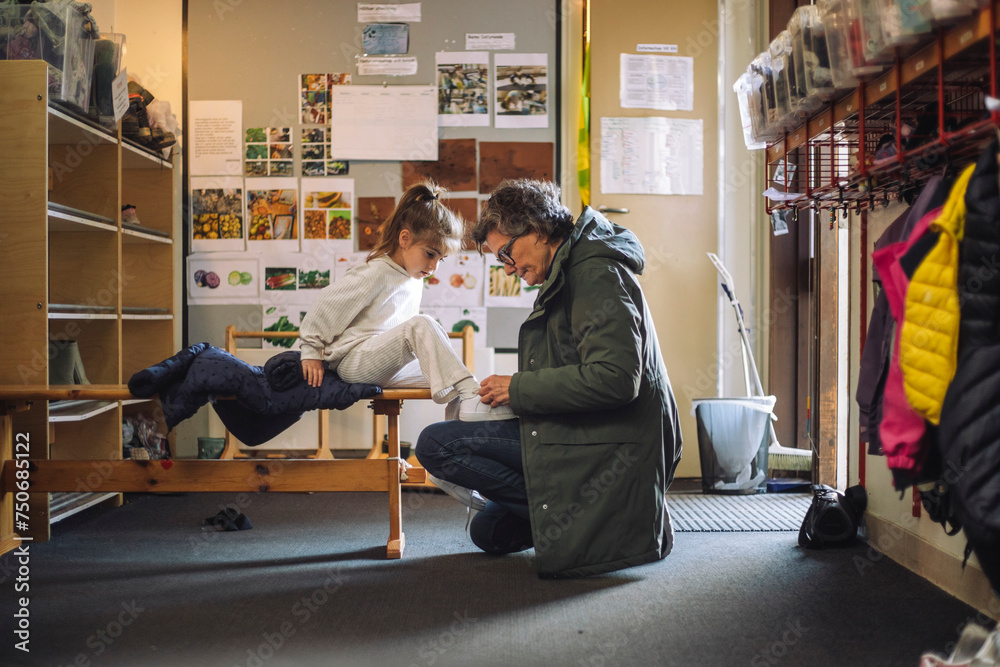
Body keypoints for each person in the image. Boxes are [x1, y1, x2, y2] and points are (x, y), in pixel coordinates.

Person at [415, 179, 683, 578]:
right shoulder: (571, 266)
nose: (507, 266)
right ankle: (587, 521)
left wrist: (517, 388)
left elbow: (615, 378)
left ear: (537, 229)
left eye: (506, 252)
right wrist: (514, 394)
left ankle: (606, 522)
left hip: (611, 442)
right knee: (489, 532)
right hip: (591, 429)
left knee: (435, 444)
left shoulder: (594, 273)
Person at [299, 181, 515, 423]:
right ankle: (471, 394)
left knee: (450, 375)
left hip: (386, 363)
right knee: (421, 324)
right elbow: (326, 304)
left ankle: (458, 428)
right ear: (404, 239)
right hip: (354, 362)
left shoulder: (413, 278)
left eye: (441, 259)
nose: (433, 267)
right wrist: (311, 352)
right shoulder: (376, 272)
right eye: (430, 254)